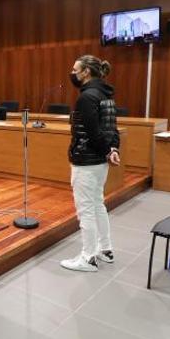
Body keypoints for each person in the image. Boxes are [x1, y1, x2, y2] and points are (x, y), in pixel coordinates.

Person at [60, 55, 121, 272]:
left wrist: (107, 149)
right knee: (97, 204)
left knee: (85, 209)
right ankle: (105, 249)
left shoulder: (87, 97)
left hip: (86, 161)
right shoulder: (106, 94)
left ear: (86, 72)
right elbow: (112, 127)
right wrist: (112, 149)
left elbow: (94, 132)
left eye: (75, 69)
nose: (72, 72)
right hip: (100, 161)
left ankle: (88, 258)